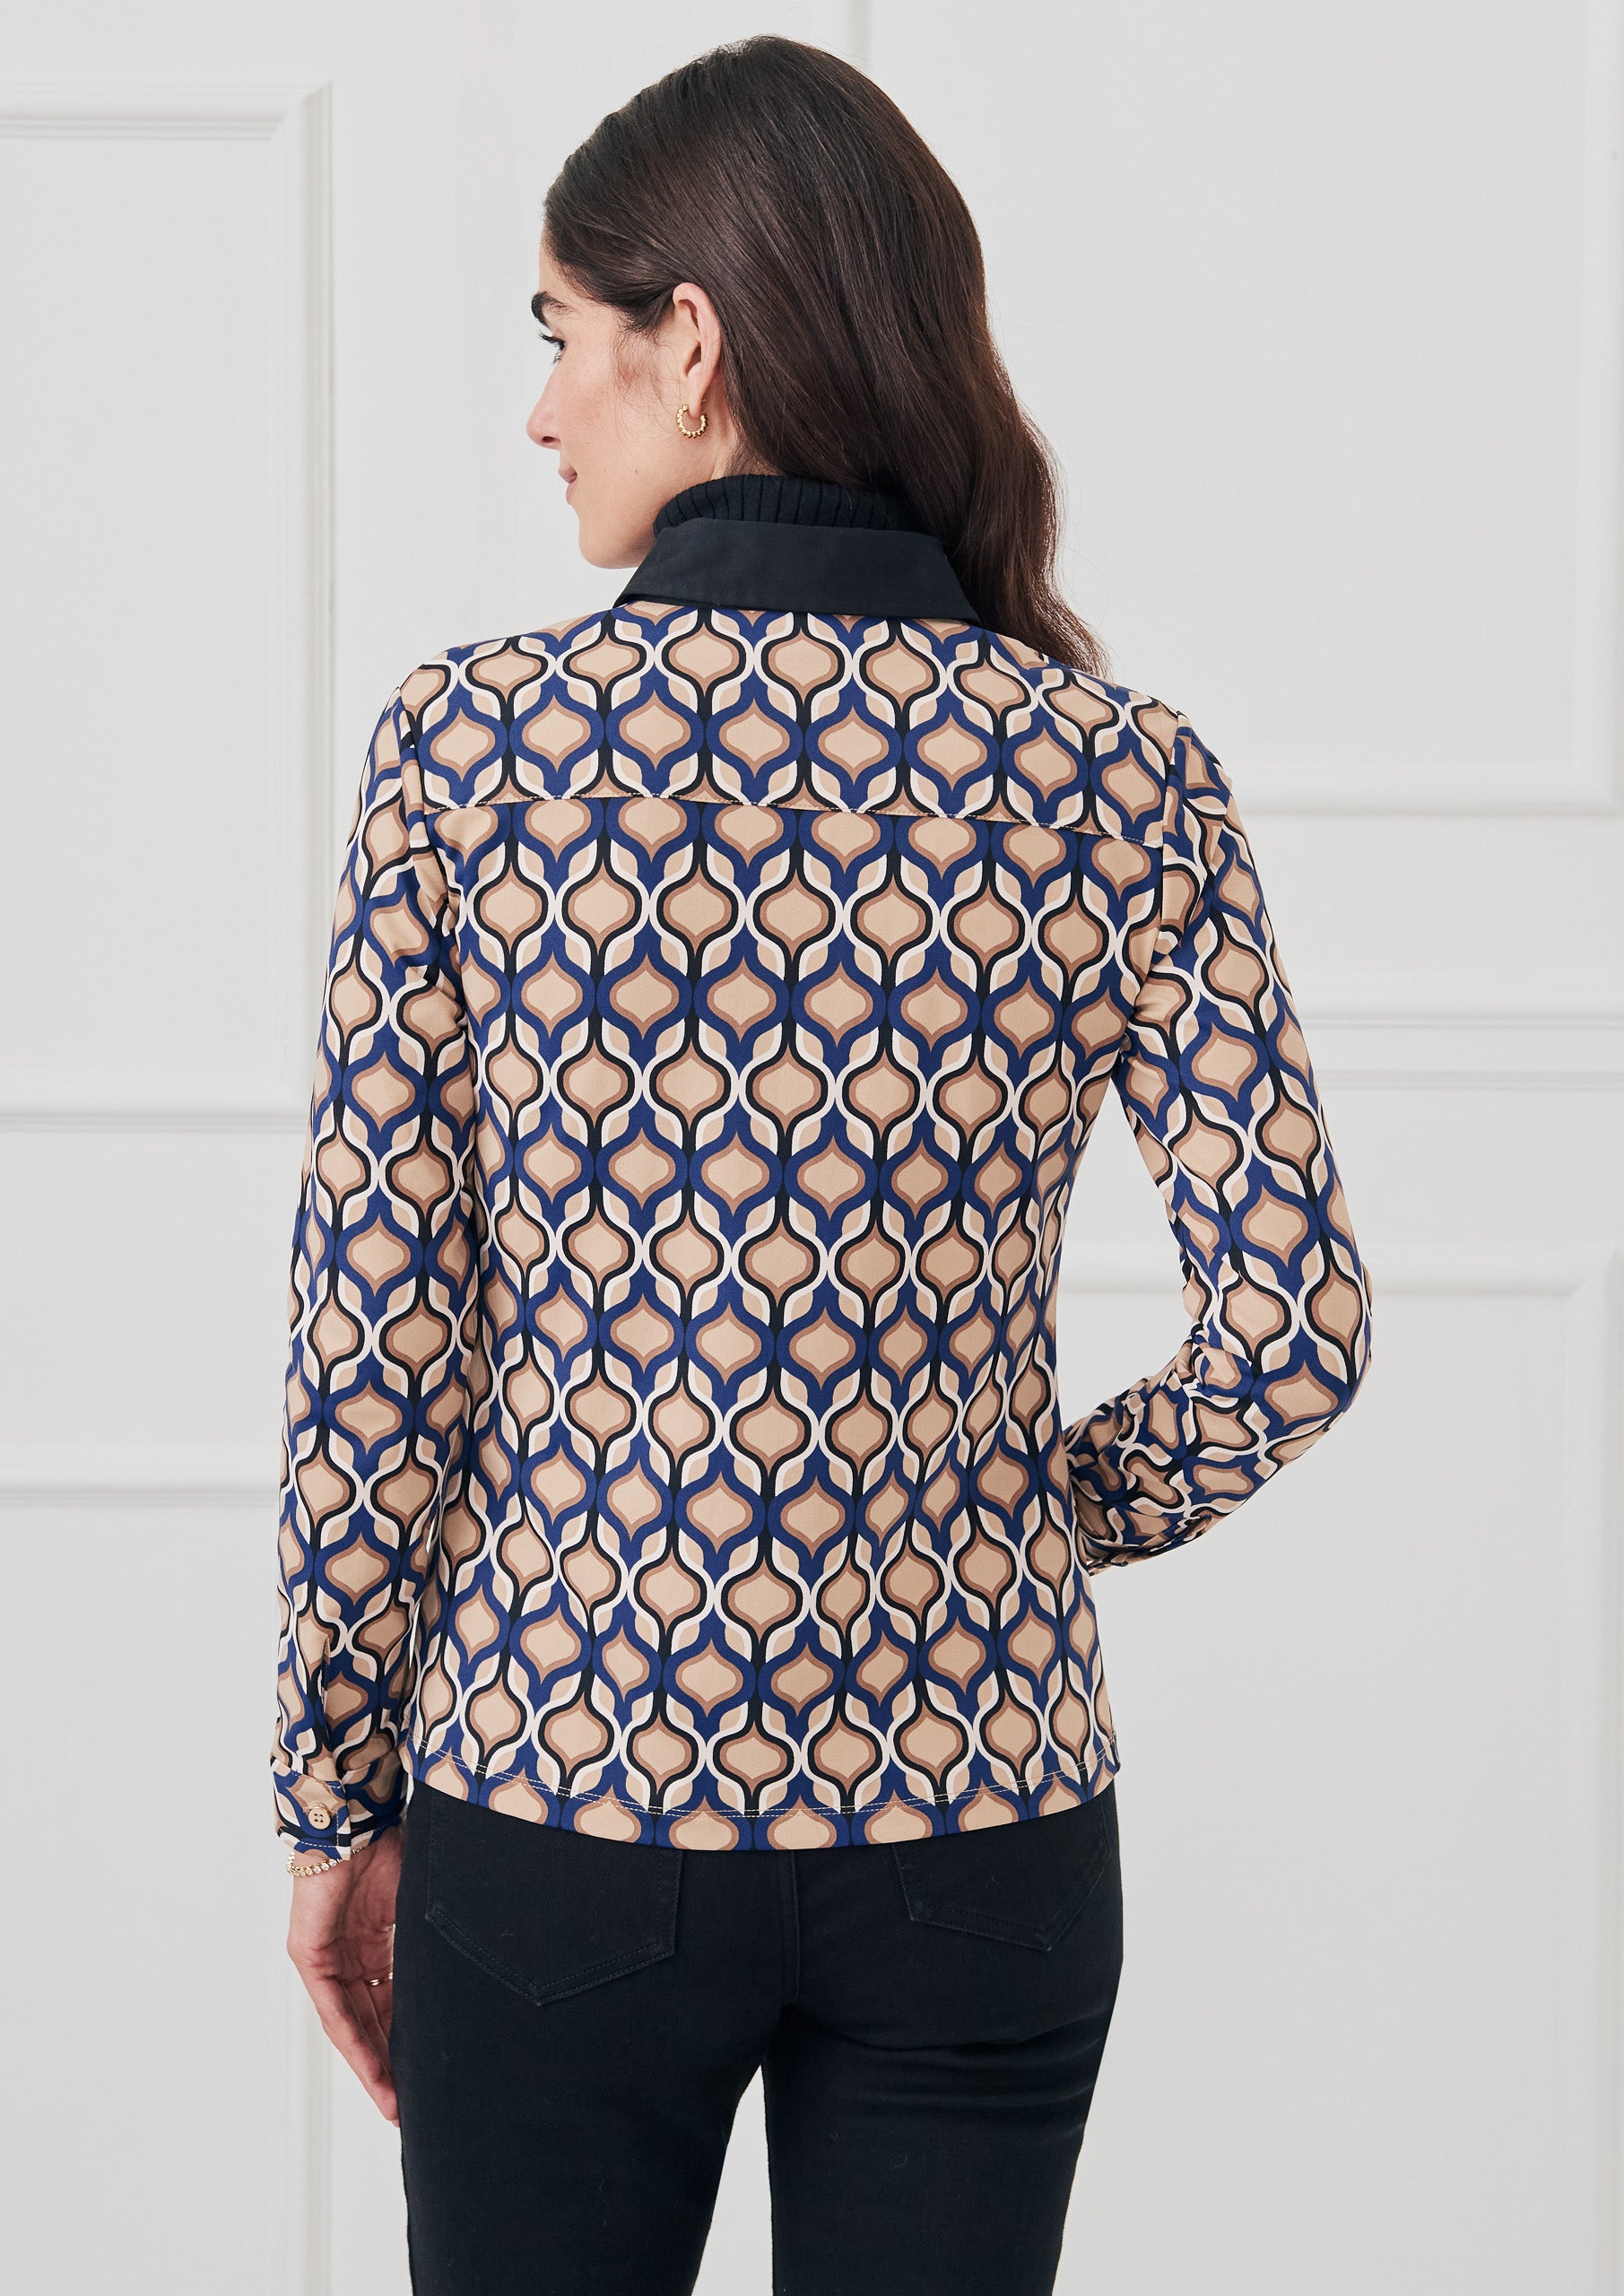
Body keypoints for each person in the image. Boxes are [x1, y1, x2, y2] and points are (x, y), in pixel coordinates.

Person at [271, 34, 1374, 2295]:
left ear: (692, 344)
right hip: (982, 1817)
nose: (542, 408)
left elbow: (379, 1344)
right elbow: (1298, 1329)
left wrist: (331, 1795)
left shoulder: (469, 752)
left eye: (562, 335)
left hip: (567, 1790)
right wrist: (1016, 1505)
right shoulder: (1122, 772)